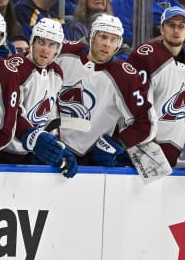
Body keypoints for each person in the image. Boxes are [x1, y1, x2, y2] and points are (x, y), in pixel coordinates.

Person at [0, 8, 78, 178]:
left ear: (58, 49)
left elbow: (50, 116)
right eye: (41, 42)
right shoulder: (15, 67)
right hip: (0, 153)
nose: (45, 50)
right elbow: (11, 113)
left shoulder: (56, 72)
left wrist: (56, 147)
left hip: (30, 154)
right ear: (32, 42)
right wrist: (36, 138)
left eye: (52, 45)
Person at [56, 13, 161, 170]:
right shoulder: (64, 52)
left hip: (89, 160)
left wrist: (118, 142)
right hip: (51, 148)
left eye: (113, 40)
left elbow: (147, 122)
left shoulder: (125, 77)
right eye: (103, 37)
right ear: (92, 36)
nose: (107, 44)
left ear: (119, 44)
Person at [127, 6, 185, 170]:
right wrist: (143, 149)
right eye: (171, 25)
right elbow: (133, 108)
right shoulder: (144, 56)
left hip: (172, 158)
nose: (176, 30)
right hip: (137, 154)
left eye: (181, 25)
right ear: (162, 29)